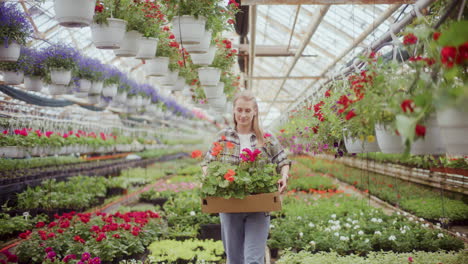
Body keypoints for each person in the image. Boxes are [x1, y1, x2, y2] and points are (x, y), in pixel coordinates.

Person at [201, 91, 291, 264]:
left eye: (247, 111)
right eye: (239, 110)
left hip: (259, 205)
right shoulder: (223, 136)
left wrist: (284, 176)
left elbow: (282, 160)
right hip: (229, 204)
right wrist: (210, 177)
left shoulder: (265, 137)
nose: (243, 115)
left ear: (255, 111)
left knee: (253, 259)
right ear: (234, 110)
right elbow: (207, 162)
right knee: (234, 259)